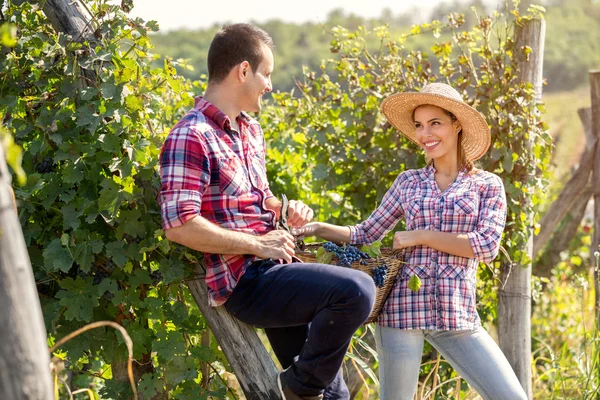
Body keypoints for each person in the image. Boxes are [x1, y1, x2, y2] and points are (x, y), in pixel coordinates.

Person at [157, 23, 375, 400]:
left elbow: (260, 199)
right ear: (243, 70)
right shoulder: (190, 135)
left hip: (278, 269)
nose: (270, 85)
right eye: (267, 74)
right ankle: (296, 389)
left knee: (337, 398)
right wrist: (259, 245)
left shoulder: (251, 132)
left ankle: (303, 388)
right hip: (248, 282)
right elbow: (179, 224)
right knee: (358, 290)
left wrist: (285, 209)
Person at [293, 83, 528, 400]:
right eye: (418, 125)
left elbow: (485, 247)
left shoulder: (487, 185)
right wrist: (318, 227)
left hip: (457, 316)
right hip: (401, 314)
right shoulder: (408, 182)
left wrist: (419, 236)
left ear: (456, 124)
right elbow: (366, 232)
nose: (424, 134)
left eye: (435, 123)